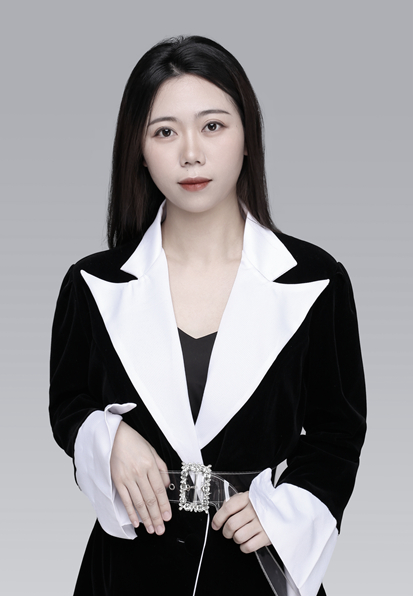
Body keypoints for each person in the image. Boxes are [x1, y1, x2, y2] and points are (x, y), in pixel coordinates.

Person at [49, 35, 366, 596]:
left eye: (213, 126)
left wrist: (288, 511)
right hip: (126, 571)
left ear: (247, 139)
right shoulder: (93, 284)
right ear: (138, 149)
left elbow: (337, 431)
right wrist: (107, 437)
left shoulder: (315, 280)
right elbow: (68, 405)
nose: (190, 154)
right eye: (164, 132)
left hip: (256, 564)